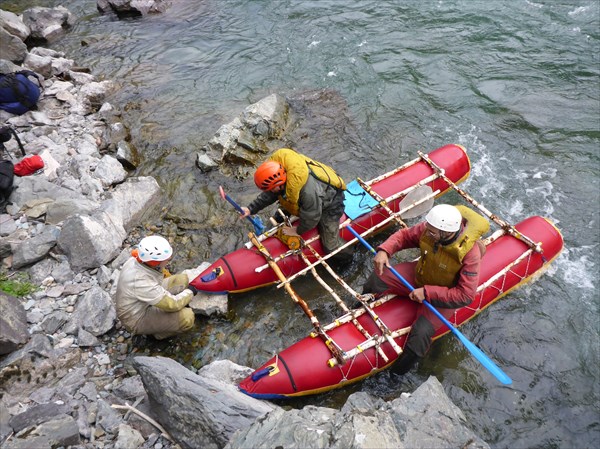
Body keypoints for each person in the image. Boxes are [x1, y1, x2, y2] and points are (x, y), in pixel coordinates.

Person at [362, 204, 490, 374]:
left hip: (443, 295)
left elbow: (465, 295)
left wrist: (427, 292)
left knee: (421, 334)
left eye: (432, 232)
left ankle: (397, 375)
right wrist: (385, 250)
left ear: (447, 233)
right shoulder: (430, 229)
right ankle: (359, 305)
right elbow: (405, 236)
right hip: (419, 276)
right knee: (378, 278)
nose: (426, 231)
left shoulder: (470, 254)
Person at [240, 148, 353, 261]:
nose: (270, 191)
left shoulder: (307, 193)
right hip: (302, 197)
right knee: (278, 217)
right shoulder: (283, 178)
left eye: (271, 189)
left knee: (330, 246)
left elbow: (312, 217)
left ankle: (350, 255)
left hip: (331, 203)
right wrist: (250, 209)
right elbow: (269, 195)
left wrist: (297, 230)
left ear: (279, 184)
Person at [116, 235, 199, 340]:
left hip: (143, 300)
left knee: (181, 280)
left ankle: (162, 321)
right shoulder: (141, 282)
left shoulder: (137, 259)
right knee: (187, 317)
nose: (169, 259)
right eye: (167, 259)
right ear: (155, 262)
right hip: (137, 317)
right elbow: (173, 304)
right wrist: (191, 292)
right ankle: (159, 334)